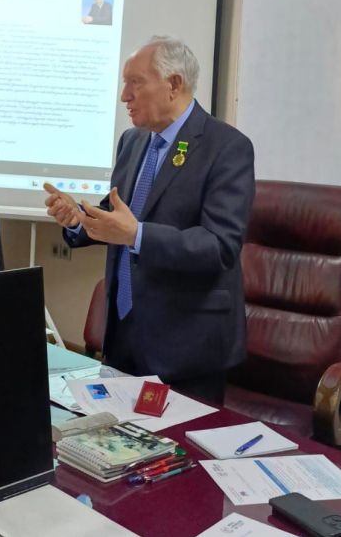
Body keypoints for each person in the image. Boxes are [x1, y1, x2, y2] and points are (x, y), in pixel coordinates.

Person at [44, 36, 255, 404]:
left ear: (173, 84)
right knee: (115, 435)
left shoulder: (227, 147)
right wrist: (78, 219)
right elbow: (118, 215)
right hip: (124, 331)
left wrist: (137, 235)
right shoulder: (133, 140)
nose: (124, 96)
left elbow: (220, 246)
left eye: (135, 83)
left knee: (176, 442)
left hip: (186, 344)